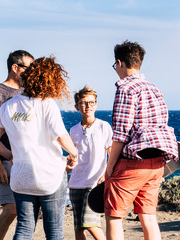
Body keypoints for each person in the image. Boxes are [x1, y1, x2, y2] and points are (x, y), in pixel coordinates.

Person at [0, 56, 78, 240]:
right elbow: (61, 136)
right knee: (54, 232)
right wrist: (74, 153)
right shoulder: (47, 103)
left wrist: (9, 155)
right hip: (50, 177)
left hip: (21, 177)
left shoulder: (8, 106)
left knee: (24, 229)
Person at [104, 40, 178, 240]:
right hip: (157, 162)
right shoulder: (154, 89)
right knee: (148, 215)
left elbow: (120, 133)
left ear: (120, 63)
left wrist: (110, 166)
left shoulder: (125, 88)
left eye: (115, 66)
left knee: (114, 215)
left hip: (132, 163)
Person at [0, 50, 34, 240]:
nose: (32, 72)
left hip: (27, 159)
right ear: (15, 67)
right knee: (11, 209)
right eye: (29, 68)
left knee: (27, 211)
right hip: (6, 159)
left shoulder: (29, 92)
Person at [68, 86, 112, 240]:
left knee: (90, 223)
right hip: (75, 183)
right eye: (84, 103)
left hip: (95, 183)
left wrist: (107, 174)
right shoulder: (73, 130)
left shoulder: (104, 127)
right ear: (76, 106)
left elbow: (111, 154)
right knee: (79, 227)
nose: (88, 106)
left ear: (96, 105)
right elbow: (72, 157)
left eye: (92, 102)